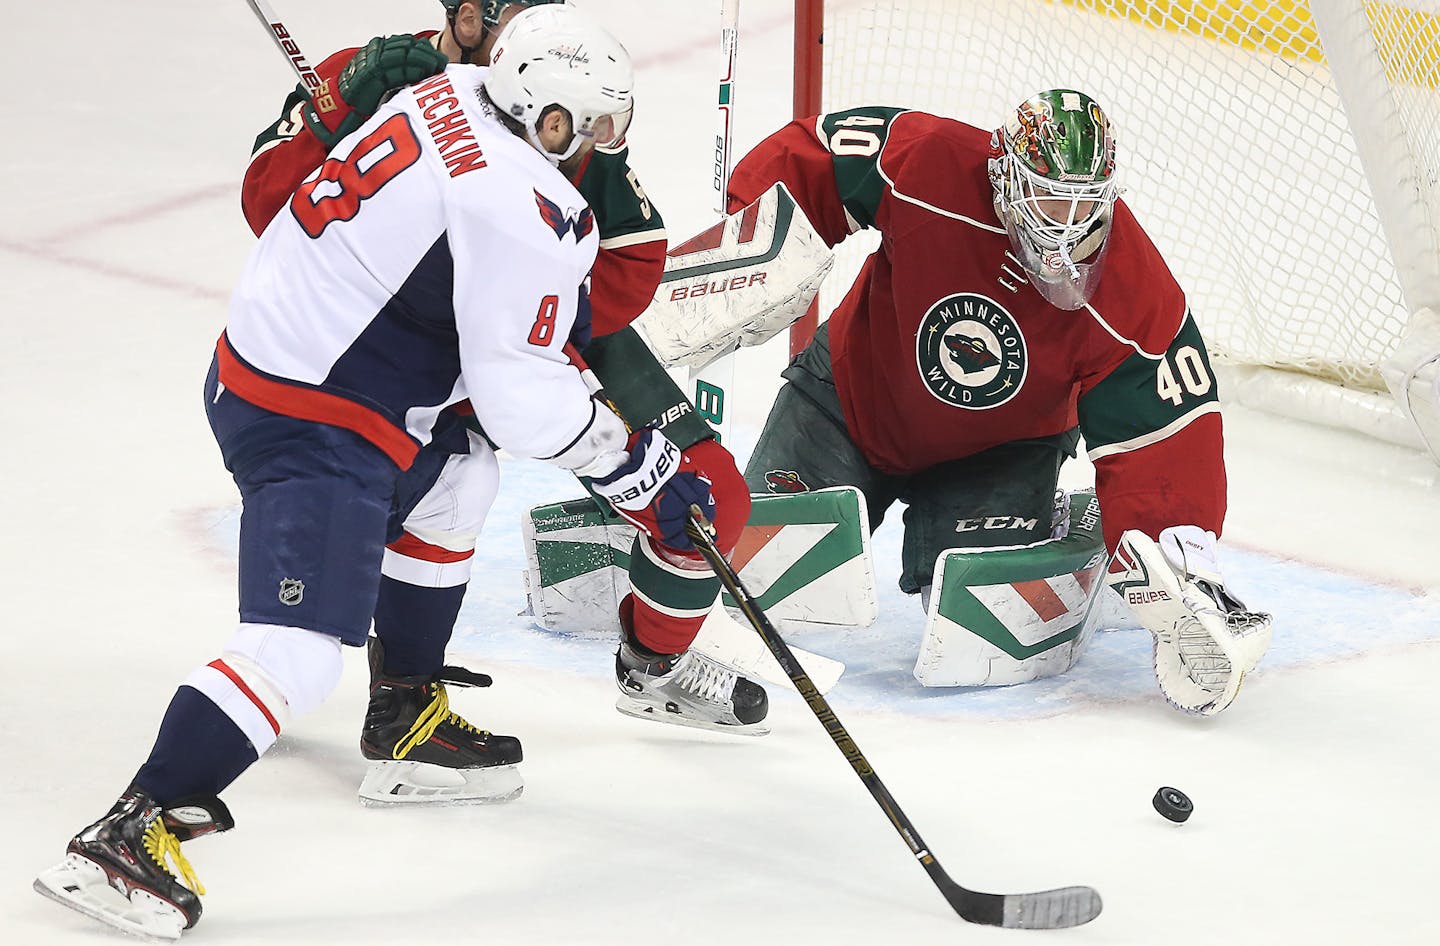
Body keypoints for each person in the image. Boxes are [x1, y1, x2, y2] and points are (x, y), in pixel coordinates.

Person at [33, 9, 730, 938]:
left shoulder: (448, 92)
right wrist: (640, 471)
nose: (606, 141)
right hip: (315, 417)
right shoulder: (524, 206)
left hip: (283, 363)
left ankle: (404, 711)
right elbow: (521, 396)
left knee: (459, 479)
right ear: (549, 118)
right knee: (299, 647)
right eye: (593, 124)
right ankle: (130, 832)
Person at [242, 0, 769, 774]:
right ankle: (300, 664)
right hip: (386, 342)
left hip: (547, 325)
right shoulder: (377, 73)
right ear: (463, 11)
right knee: (419, 479)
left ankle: (654, 670)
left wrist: (535, 317)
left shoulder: (558, 83)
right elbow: (268, 210)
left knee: (709, 496)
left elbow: (634, 258)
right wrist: (341, 108)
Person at [730, 92, 1272, 717]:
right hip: (851, 399)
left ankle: (1091, 535)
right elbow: (814, 161)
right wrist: (755, 249)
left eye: (1084, 202)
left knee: (981, 635)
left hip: (1001, 450)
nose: (1067, 223)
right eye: (1049, 196)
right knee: (763, 577)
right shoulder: (930, 163)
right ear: (1005, 173)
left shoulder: (1133, 288)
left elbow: (1166, 429)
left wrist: (1175, 553)